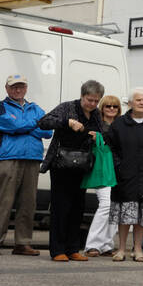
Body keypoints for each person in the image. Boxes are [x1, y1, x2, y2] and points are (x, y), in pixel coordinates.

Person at [38, 80, 103, 262]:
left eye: (96, 101)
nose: (92, 104)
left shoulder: (96, 114)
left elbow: (102, 132)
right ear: (82, 96)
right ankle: (58, 250)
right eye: (89, 100)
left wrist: (97, 135)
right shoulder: (67, 107)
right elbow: (43, 122)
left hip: (82, 166)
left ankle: (73, 248)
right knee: (61, 207)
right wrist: (67, 122)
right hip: (62, 165)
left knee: (77, 208)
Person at [105, 88, 143, 263]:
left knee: (141, 216)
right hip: (125, 176)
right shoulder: (119, 124)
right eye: (138, 100)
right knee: (125, 216)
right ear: (130, 103)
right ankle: (121, 248)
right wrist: (119, 166)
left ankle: (138, 249)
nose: (142, 103)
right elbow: (111, 148)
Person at [0, 74, 50, 256]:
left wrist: (21, 126)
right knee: (3, 202)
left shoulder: (35, 107)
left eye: (21, 86)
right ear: (7, 88)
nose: (18, 90)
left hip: (32, 159)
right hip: (9, 159)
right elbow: (9, 125)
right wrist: (32, 125)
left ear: (26, 88)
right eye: (14, 87)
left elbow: (48, 131)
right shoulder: (1, 107)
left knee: (28, 203)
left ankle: (22, 243)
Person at [83, 94, 121, 257]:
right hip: (102, 169)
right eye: (108, 106)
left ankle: (106, 244)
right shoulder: (96, 123)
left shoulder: (121, 125)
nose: (111, 109)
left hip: (119, 170)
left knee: (115, 208)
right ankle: (92, 244)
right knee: (106, 205)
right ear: (102, 108)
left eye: (115, 106)